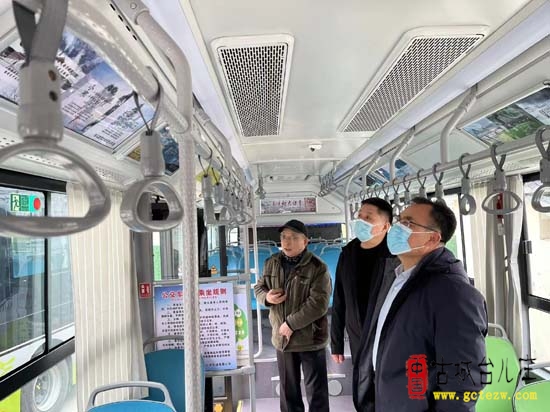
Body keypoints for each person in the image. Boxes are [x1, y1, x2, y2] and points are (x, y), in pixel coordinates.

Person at [353, 197, 488, 412]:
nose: (397, 228)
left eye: (408, 223)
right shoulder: (397, 276)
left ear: (432, 238)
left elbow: (463, 381)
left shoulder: (454, 294)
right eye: (399, 220)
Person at [255, 219, 332, 412]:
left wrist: (290, 324)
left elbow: (318, 304)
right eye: (284, 237)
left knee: (317, 393)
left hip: (311, 339)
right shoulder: (271, 263)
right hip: (283, 340)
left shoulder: (317, 267)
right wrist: (267, 297)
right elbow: (259, 287)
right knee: (289, 393)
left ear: (305, 242)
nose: (287, 242)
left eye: (293, 238)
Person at [331, 198, 395, 364]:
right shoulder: (347, 254)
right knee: (361, 377)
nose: (361, 221)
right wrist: (336, 343)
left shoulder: (396, 256)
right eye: (360, 216)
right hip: (357, 335)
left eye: (368, 217)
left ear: (385, 226)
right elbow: (339, 298)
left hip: (389, 336)